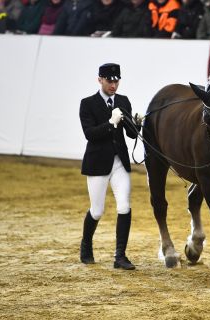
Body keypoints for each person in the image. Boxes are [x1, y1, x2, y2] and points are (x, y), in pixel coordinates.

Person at [79, 63, 144, 270]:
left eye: (116, 81)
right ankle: (86, 244)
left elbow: (131, 134)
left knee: (124, 205)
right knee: (97, 211)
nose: (113, 85)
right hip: (98, 162)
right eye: (109, 81)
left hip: (119, 162)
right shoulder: (87, 103)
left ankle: (120, 256)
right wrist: (111, 123)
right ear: (100, 80)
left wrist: (137, 123)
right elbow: (90, 134)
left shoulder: (123, 101)